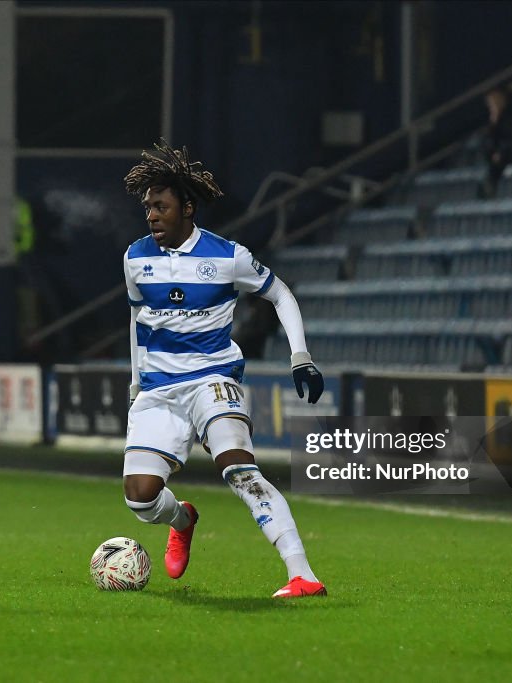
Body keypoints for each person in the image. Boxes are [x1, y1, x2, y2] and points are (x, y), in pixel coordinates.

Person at [121, 141, 326, 598]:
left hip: (212, 379)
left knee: (240, 470)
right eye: (148, 207)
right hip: (157, 388)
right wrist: (136, 384)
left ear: (187, 208)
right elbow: (137, 321)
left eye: (161, 206)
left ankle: (303, 575)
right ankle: (183, 519)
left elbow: (281, 295)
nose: (152, 215)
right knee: (140, 497)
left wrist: (300, 356)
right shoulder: (136, 258)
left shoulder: (227, 255)